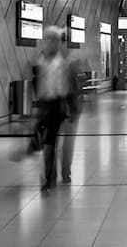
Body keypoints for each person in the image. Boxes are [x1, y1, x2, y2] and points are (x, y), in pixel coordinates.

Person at [33, 26, 74, 191]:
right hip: (44, 105)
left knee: (51, 142)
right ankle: (48, 176)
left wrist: (68, 107)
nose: (51, 43)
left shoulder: (62, 63)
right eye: (48, 39)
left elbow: (65, 87)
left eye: (54, 40)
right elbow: (37, 84)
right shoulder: (40, 61)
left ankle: (49, 177)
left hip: (57, 106)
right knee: (47, 143)